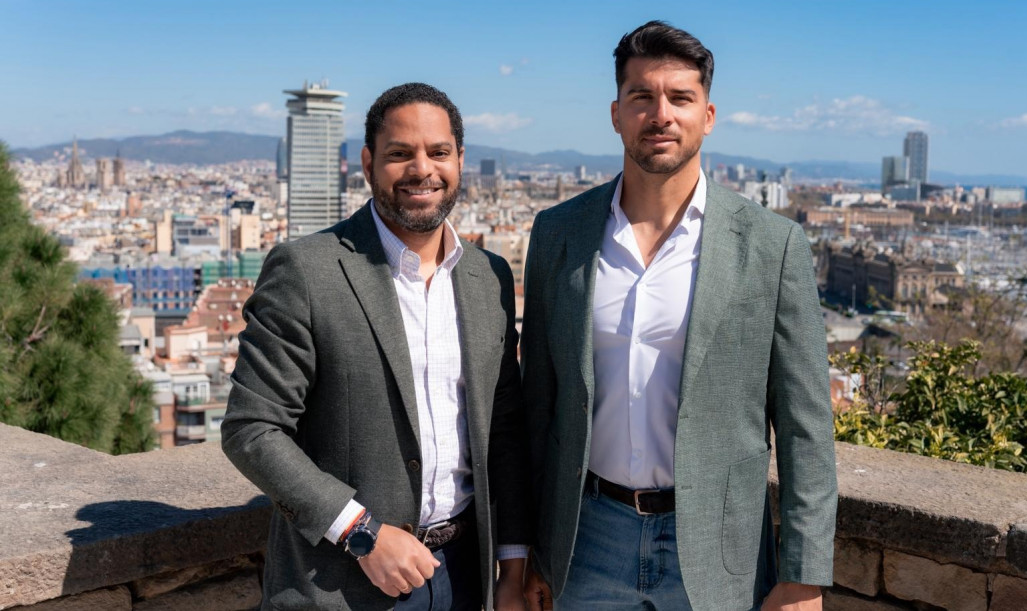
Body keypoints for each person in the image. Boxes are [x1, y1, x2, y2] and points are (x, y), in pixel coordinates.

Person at [521, 21, 837, 611]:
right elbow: (539, 405)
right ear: (616, 114)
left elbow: (805, 427)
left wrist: (803, 575)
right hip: (583, 542)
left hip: (718, 551)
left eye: (680, 98)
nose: (660, 114)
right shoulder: (559, 234)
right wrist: (532, 551)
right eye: (642, 97)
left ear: (708, 115)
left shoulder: (772, 245)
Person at [222, 82, 530, 610]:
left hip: (463, 575)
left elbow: (502, 428)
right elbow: (252, 427)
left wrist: (514, 565)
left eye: (438, 152)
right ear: (367, 163)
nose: (421, 170)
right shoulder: (308, 270)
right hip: (341, 582)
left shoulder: (487, 276)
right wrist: (360, 533)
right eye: (399, 154)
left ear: (460, 160)